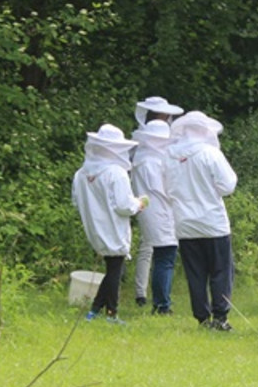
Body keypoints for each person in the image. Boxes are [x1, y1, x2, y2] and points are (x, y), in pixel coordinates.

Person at [166, 111, 238, 331]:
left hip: (184, 224)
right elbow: (228, 185)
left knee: (195, 273)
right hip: (212, 222)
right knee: (220, 271)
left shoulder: (169, 155)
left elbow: (167, 188)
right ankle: (220, 316)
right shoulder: (210, 153)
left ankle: (202, 318)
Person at [71, 124, 148, 324]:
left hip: (94, 228)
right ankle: (111, 314)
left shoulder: (81, 173)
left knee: (113, 267)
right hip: (113, 227)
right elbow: (124, 205)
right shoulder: (116, 172)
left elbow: (76, 200)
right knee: (115, 269)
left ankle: (94, 310)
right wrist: (139, 203)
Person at [131, 97, 184, 305]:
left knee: (155, 252)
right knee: (165, 257)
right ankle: (161, 304)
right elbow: (163, 189)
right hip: (159, 211)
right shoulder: (151, 160)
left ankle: (147, 296)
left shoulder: (140, 155)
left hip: (148, 209)